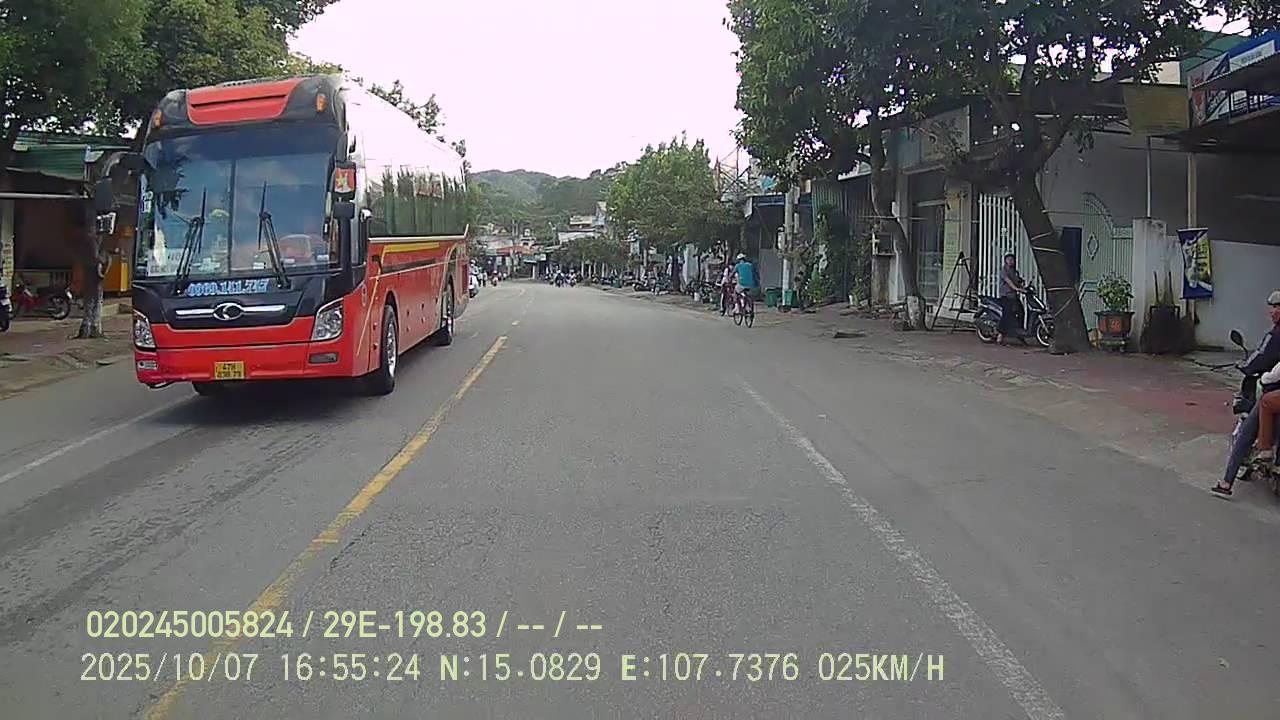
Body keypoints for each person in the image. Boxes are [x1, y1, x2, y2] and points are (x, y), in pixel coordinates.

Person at [1212, 290, 1280, 496]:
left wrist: (1249, 368)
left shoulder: (1275, 335)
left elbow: (1262, 357)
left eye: (1275, 307)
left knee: (1246, 432)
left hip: (1273, 389)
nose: (1272, 312)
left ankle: (1227, 482)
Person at [996, 253, 1027, 345]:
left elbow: (1018, 281)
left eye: (1012, 260)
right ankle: (1000, 335)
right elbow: (1009, 281)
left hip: (1014, 296)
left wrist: (1023, 287)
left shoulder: (1014, 272)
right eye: (1009, 260)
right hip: (1006, 296)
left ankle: (1019, 332)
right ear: (1005, 261)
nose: (1011, 261)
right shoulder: (1004, 271)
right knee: (1007, 314)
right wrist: (1016, 288)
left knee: (1021, 312)